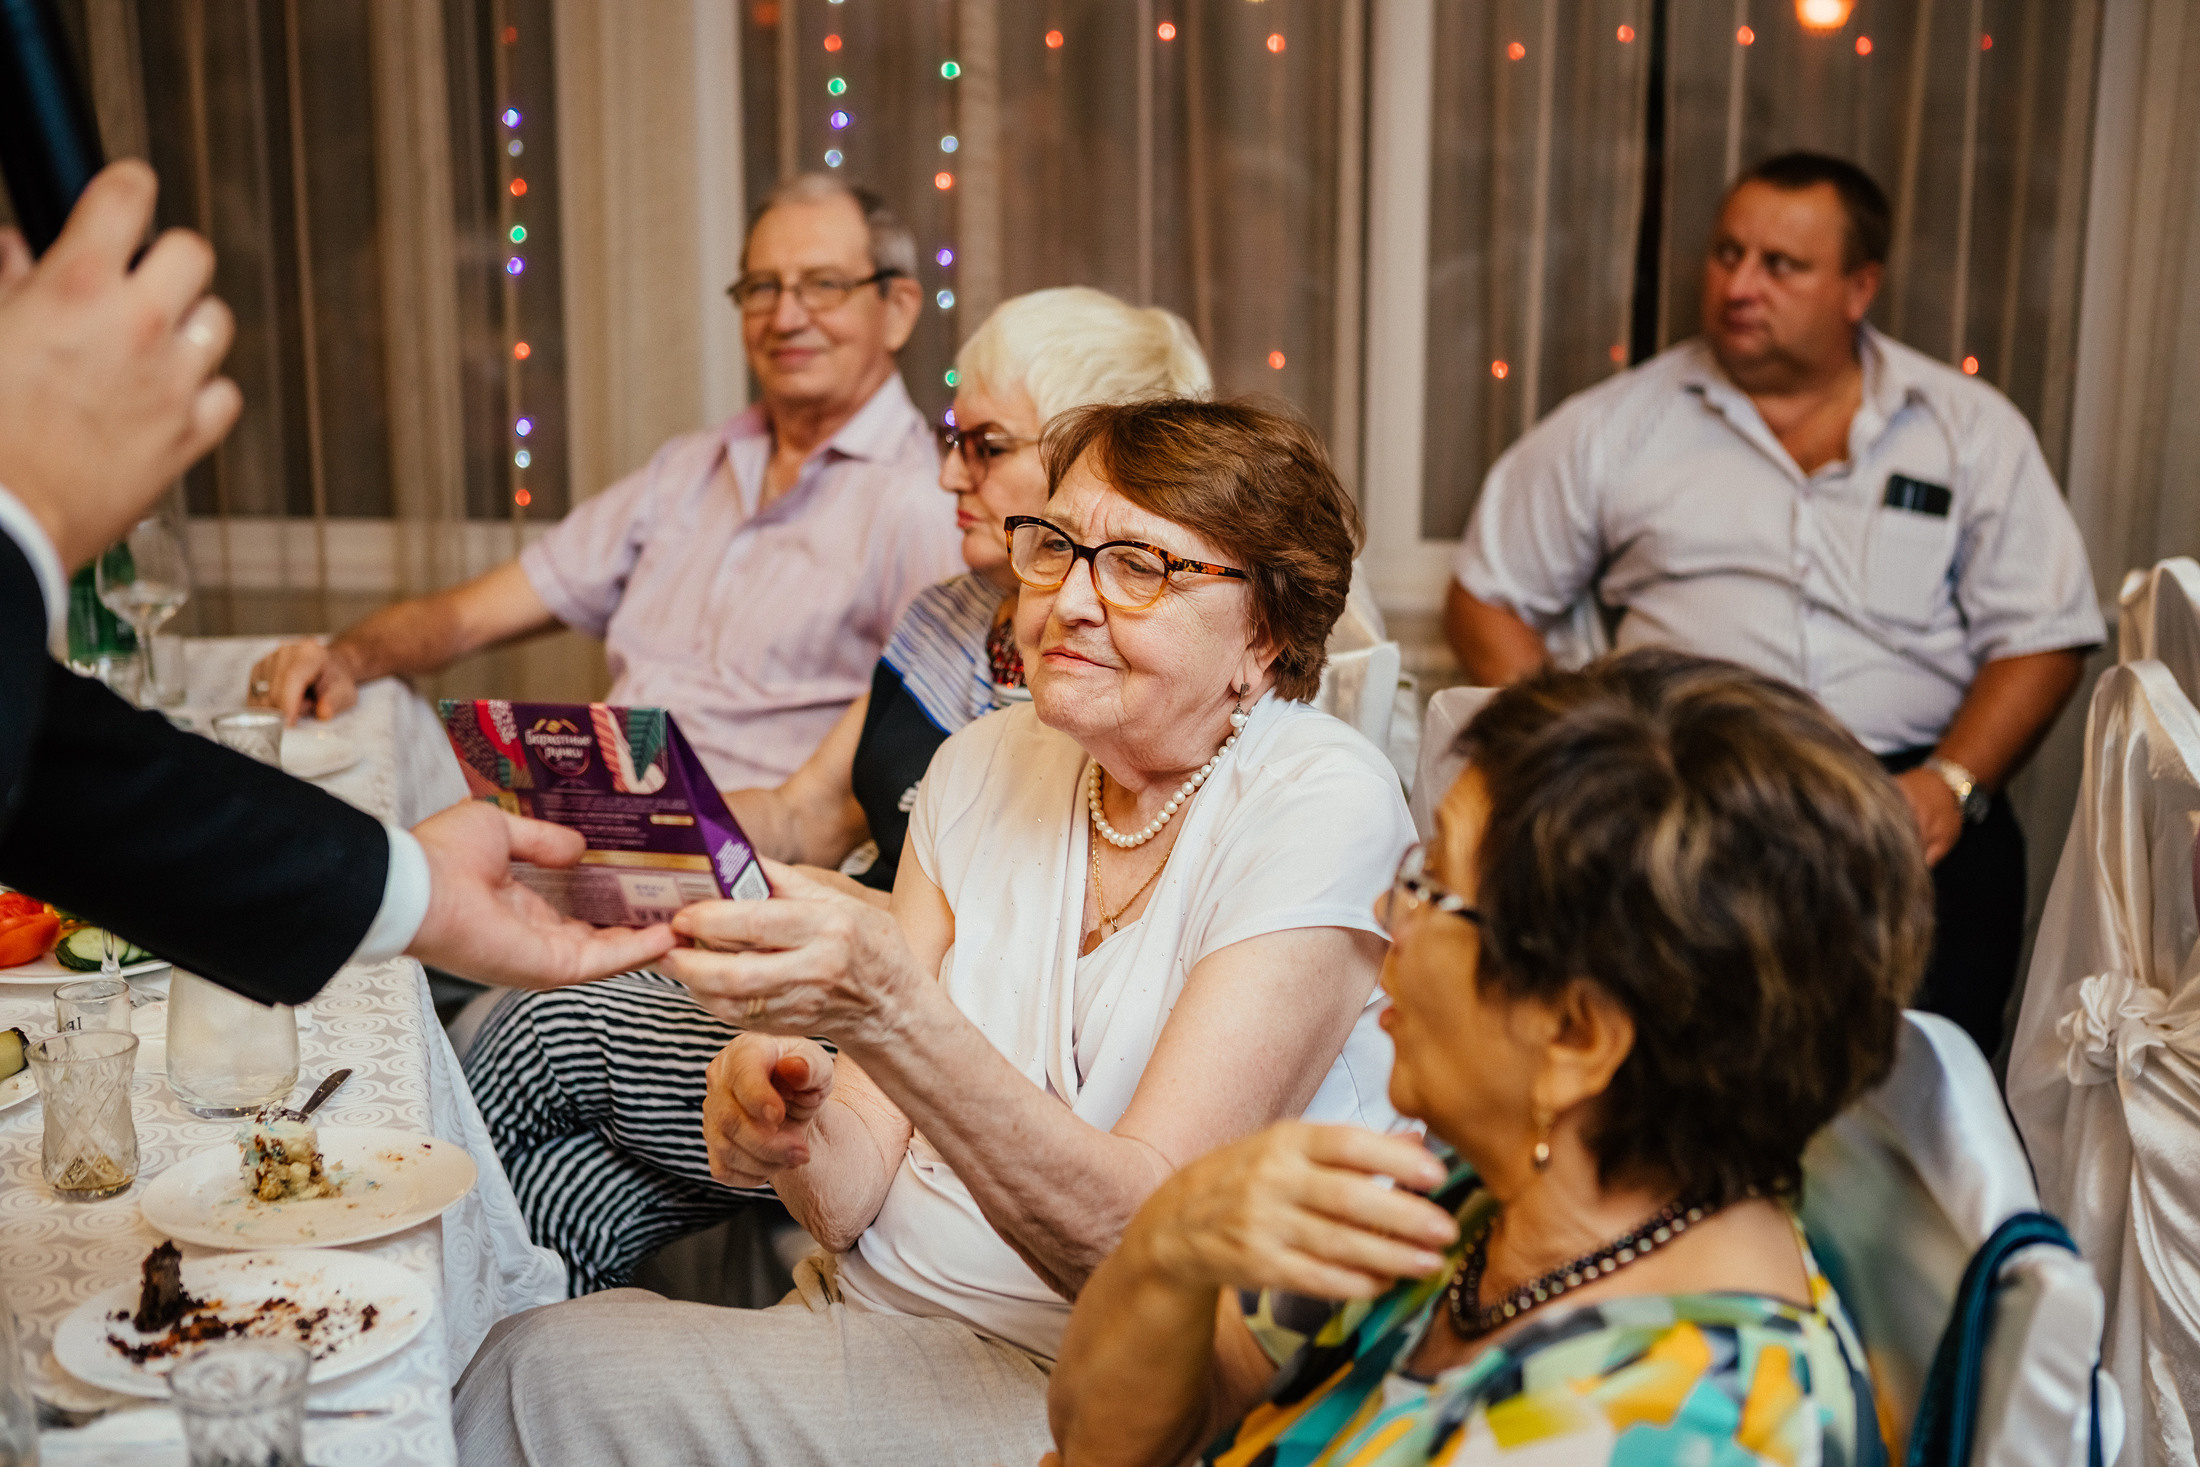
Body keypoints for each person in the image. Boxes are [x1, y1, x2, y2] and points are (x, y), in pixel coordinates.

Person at [452, 398, 1417, 1466]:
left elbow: (1140, 1251)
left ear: (1264, 633)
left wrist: (892, 1012)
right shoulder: (983, 764)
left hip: (1095, 1400)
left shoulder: (1319, 801)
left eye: (1140, 566)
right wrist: (790, 1133)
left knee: (537, 1376)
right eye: (1054, 547)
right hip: (865, 1320)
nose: (1070, 601)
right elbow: (848, 1198)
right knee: (536, 1341)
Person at [459, 286, 1214, 1293]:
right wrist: (617, 821)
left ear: (1093, 459)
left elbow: (1012, 939)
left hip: (923, 1028)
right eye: (951, 437)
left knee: (534, 1031)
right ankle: (474, 1393)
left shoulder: (1102, 668)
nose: (947, 470)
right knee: (572, 1176)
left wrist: (778, 906)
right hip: (825, 958)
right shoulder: (953, 613)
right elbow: (813, 810)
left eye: (983, 445)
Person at [1049, 649, 1926, 1467]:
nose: (1392, 912)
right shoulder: (1472, 1195)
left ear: (1577, 1037)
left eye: (1433, 886)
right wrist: (1177, 1237)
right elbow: (1107, 1439)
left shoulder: (1681, 1429)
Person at [1444, 151, 2101, 1058]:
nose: (1739, 285)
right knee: (1682, 1066)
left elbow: (2043, 635)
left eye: (1780, 265)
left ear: (1858, 286)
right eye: (1726, 254)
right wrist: (1581, 742)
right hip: (1692, 792)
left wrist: (1950, 783)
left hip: (1903, 795)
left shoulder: (1968, 429)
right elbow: (1486, 594)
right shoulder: (1620, 424)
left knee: (1921, 1089)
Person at [0, 162, 671, 1005]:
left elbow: (63, 769)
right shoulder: (679, 480)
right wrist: (24, 509)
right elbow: (462, 617)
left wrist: (413, 891)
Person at [248, 173, 962, 790]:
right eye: (761, 288)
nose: (785, 317)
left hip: (755, 878)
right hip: (597, 836)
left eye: (824, 286)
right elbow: (468, 616)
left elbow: (937, 758)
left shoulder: (923, 503)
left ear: (896, 310)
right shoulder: (688, 469)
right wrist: (345, 655)